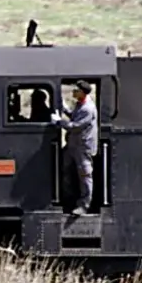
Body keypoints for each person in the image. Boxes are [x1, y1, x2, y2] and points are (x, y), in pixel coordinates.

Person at [54, 81, 98, 217]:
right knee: (64, 168)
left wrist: (59, 121)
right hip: (73, 145)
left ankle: (84, 205)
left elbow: (75, 126)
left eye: (76, 90)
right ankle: (68, 199)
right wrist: (63, 107)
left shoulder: (88, 108)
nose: (73, 92)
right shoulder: (81, 104)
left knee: (85, 175)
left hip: (82, 147)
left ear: (82, 93)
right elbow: (74, 116)